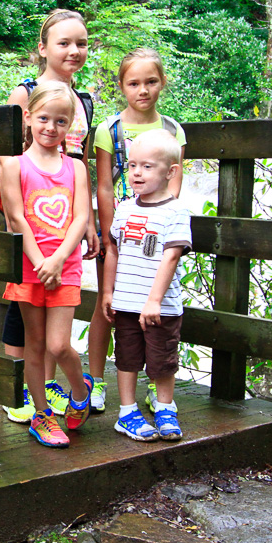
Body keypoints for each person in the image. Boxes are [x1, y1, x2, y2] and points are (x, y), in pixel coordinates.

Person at [0, 9, 101, 424]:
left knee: (53, 305)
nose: (73, 50)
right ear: (43, 48)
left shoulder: (84, 101)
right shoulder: (26, 93)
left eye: (81, 43)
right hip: (25, 206)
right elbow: (4, 153)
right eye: (63, 42)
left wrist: (89, 219)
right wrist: (11, 218)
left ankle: (51, 385)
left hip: (66, 211)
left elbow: (83, 160)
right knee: (20, 301)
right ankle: (19, 385)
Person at [91, 47, 186, 415]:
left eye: (151, 81)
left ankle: (155, 386)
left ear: (162, 83)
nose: (142, 90)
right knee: (110, 302)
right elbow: (102, 185)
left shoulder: (172, 130)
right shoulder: (109, 130)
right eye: (134, 83)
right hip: (119, 233)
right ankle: (96, 380)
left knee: (156, 303)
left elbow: (176, 181)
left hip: (158, 233)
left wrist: (163, 220)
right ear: (122, 86)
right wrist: (105, 232)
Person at [100, 129, 191, 441]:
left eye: (148, 166)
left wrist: (153, 300)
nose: (137, 172)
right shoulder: (125, 208)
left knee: (162, 359)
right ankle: (127, 412)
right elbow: (113, 249)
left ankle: (165, 408)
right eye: (133, 165)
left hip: (160, 305)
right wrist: (108, 291)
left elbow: (171, 256)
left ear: (171, 171)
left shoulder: (175, 210)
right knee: (127, 357)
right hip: (126, 301)